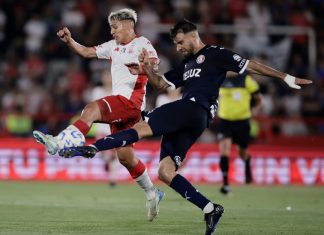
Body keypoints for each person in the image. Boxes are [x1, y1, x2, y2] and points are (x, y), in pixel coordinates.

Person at [59, 19, 312, 234]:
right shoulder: (187, 66)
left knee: (141, 125)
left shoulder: (216, 54)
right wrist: (147, 70)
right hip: (194, 121)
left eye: (180, 42)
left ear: (193, 35)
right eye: (176, 44)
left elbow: (250, 65)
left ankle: (91, 148)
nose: (178, 48)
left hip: (193, 108)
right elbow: (161, 85)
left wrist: (285, 77)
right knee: (165, 172)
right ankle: (210, 208)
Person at [32, 8, 164, 221]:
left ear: (129, 24)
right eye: (110, 27)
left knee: (91, 109)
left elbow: (154, 64)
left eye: (115, 27)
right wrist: (70, 41)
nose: (112, 31)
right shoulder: (112, 47)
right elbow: (86, 52)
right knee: (125, 157)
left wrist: (142, 66)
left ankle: (58, 142)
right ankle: (152, 192)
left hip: (129, 102)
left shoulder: (142, 43)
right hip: (124, 108)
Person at [216, 73, 262, 195]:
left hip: (242, 122)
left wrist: (255, 109)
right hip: (225, 121)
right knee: (224, 151)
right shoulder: (220, 78)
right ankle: (225, 184)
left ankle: (247, 163)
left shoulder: (246, 80)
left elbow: (257, 97)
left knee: (243, 152)